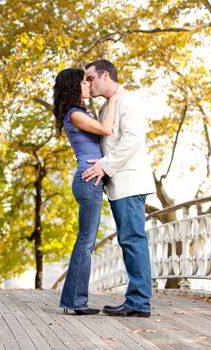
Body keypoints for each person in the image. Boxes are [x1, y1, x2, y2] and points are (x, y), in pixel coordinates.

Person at [82, 59, 156, 318]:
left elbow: (133, 139)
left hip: (129, 182)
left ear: (104, 75)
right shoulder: (106, 106)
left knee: (133, 240)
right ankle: (135, 299)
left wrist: (104, 166)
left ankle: (139, 303)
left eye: (90, 78)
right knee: (129, 240)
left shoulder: (128, 100)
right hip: (119, 184)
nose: (87, 83)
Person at [53, 68, 119, 315]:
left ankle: (73, 301)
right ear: (73, 87)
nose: (88, 86)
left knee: (85, 241)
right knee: (85, 242)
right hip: (88, 180)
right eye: (83, 82)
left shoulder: (78, 113)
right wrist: (113, 98)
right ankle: (76, 302)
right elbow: (106, 129)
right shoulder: (75, 115)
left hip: (89, 180)